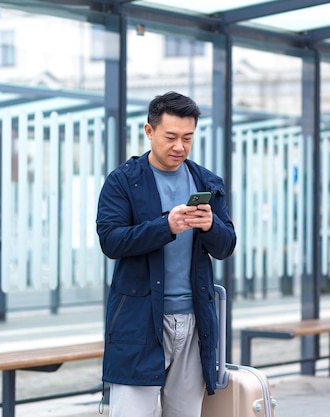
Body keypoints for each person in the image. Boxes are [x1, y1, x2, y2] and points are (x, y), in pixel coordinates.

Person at [96, 91, 237, 417]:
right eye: (171, 137)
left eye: (188, 138)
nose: (179, 147)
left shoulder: (206, 181)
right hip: (139, 322)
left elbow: (226, 246)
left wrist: (210, 225)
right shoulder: (123, 181)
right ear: (149, 131)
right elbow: (111, 241)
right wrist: (166, 226)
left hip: (195, 321)